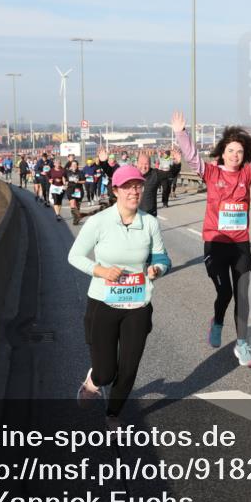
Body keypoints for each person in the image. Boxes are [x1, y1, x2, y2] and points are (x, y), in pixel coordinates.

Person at [173, 109, 251, 368]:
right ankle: (218, 321)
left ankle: (242, 344)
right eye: (231, 150)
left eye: (240, 152)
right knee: (224, 292)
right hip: (215, 244)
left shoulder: (247, 174)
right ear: (222, 152)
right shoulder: (212, 173)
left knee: (242, 294)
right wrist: (181, 133)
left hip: (240, 244)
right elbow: (191, 158)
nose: (236, 155)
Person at [69, 164, 171, 429]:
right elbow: (74, 256)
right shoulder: (99, 222)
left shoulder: (149, 223)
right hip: (104, 303)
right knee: (106, 372)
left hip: (137, 303)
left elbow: (161, 256)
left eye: (137, 185)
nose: (134, 191)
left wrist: (157, 268)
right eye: (127, 187)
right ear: (115, 190)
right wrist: (100, 270)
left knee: (128, 369)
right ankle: (92, 382)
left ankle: (113, 414)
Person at [136, 150, 181, 216]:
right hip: (134, 215)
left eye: (146, 164)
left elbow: (170, 174)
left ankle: (165, 202)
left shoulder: (155, 174)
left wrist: (177, 163)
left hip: (150, 215)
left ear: (150, 164)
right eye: (141, 163)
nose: (143, 167)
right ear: (137, 163)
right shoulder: (131, 175)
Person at [66, 160, 85, 224]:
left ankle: (77, 217)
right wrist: (64, 183)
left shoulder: (80, 172)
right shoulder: (68, 172)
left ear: (77, 166)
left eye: (75, 165)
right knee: (72, 204)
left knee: (77, 205)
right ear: (71, 165)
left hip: (78, 189)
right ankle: (75, 218)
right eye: (73, 164)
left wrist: (78, 182)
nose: (74, 166)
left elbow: (84, 181)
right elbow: (64, 178)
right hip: (70, 189)